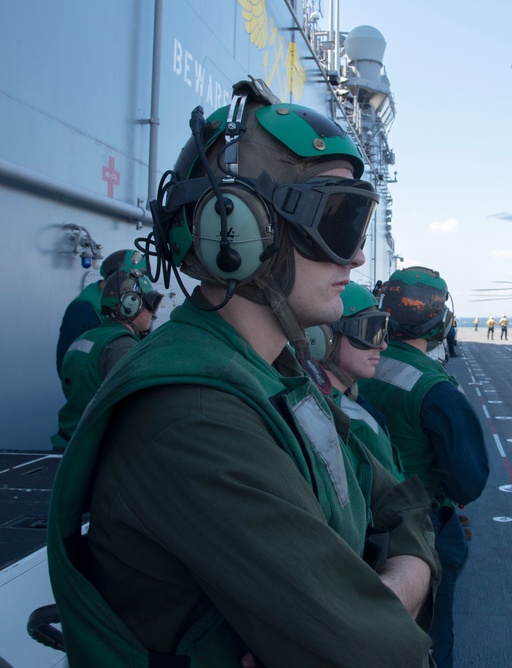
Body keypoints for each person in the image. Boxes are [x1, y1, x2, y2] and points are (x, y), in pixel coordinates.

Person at [48, 79, 436, 666]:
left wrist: (388, 588)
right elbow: (375, 650)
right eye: (340, 219)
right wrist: (395, 590)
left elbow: (404, 504)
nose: (357, 256)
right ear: (241, 232)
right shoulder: (194, 416)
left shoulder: (279, 373)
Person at [359, 266, 490, 668]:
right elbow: (469, 482)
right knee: (432, 641)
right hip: (419, 528)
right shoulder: (436, 390)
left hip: (358, 518)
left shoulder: (357, 360)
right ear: (441, 322)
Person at [51, 268, 162, 452]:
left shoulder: (88, 337)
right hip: (93, 449)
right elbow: (135, 408)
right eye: (151, 303)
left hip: (69, 442)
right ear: (131, 304)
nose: (153, 312)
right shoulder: (122, 346)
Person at [304, 282, 405, 481]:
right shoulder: (355, 423)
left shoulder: (332, 400)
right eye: (370, 332)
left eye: (382, 331)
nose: (383, 345)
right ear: (323, 337)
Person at [55, 248, 147, 376]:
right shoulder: (82, 311)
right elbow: (68, 365)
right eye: (132, 282)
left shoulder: (119, 305)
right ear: (118, 278)